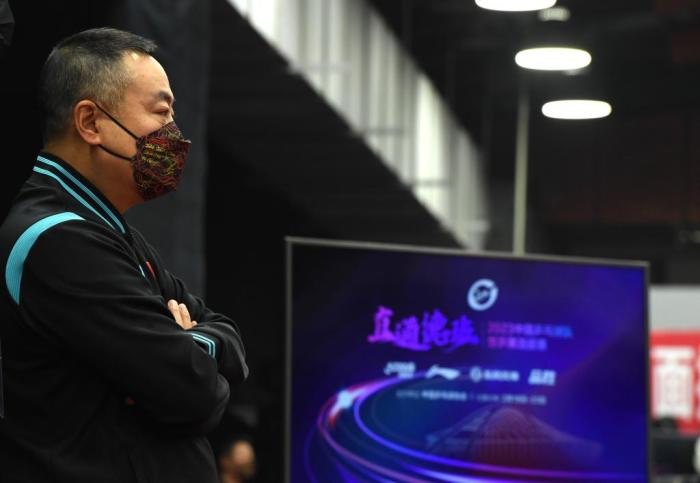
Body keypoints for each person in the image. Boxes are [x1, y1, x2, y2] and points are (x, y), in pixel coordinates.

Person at [0, 27, 248, 482]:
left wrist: (197, 343)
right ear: (90, 123)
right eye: (161, 112)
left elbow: (229, 338)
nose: (174, 134)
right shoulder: (59, 239)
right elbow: (192, 392)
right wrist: (188, 354)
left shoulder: (112, 233)